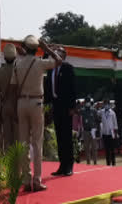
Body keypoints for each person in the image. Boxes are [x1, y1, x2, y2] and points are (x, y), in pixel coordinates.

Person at [14, 35, 62, 192]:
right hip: (36, 103)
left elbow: (14, 87)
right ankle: (37, 180)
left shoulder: (18, 63)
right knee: (37, 143)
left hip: (21, 102)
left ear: (25, 48)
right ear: (36, 49)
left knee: (23, 143)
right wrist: (47, 48)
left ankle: (27, 180)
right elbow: (59, 61)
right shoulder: (40, 63)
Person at [45, 47, 76, 176]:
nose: (56, 54)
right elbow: (48, 87)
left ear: (64, 56)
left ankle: (69, 166)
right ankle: (62, 166)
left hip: (66, 106)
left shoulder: (68, 68)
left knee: (66, 136)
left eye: (59, 52)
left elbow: (73, 87)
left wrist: (72, 107)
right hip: (56, 105)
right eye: (55, 52)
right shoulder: (51, 69)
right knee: (59, 136)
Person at [0, 44, 19, 149]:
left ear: (4, 58)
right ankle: (17, 164)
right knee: (17, 138)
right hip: (17, 106)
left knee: (7, 137)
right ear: (15, 57)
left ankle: (8, 163)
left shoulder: (0, 71)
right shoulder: (18, 70)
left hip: (5, 105)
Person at [80, 98, 99, 165]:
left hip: (93, 131)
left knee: (94, 147)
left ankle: (95, 162)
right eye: (86, 102)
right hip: (86, 131)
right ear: (85, 103)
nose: (87, 103)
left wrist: (97, 130)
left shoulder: (94, 110)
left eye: (88, 102)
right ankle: (88, 162)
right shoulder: (82, 110)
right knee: (86, 147)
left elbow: (97, 120)